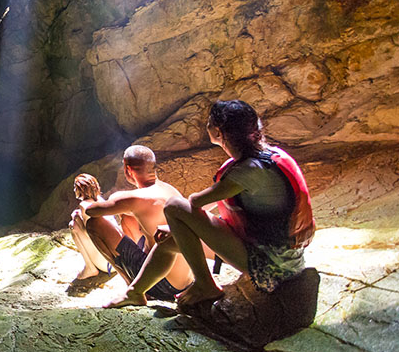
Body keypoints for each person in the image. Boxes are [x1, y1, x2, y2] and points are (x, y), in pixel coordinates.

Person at [105, 100, 314, 308]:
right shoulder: (270, 156)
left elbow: (194, 202)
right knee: (170, 241)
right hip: (280, 257)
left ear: (217, 131)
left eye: (208, 123)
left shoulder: (249, 171)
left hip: (271, 267)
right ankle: (135, 292)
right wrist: (176, 229)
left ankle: (205, 284)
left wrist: (177, 223)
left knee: (174, 207)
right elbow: (225, 208)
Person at [77, 146, 193, 301]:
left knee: (94, 224)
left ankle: (133, 287)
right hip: (187, 279)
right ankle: (141, 277)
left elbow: (92, 212)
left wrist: (90, 197)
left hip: (164, 284)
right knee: (128, 218)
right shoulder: (169, 190)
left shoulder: (133, 198)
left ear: (127, 169)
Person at [67, 174, 116, 293]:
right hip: (117, 261)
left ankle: (90, 268)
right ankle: (91, 267)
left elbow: (91, 233)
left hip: (106, 264)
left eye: (75, 187)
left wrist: (77, 219)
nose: (74, 190)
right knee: (76, 219)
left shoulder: (85, 206)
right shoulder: (102, 201)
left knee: (73, 225)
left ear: (80, 189)